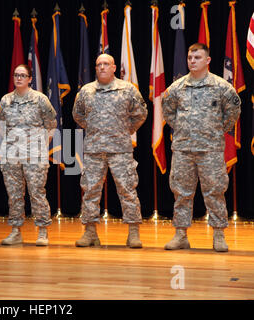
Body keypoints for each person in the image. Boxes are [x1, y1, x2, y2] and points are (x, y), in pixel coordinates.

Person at [162, 43, 241, 252]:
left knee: (215, 191)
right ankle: (180, 235)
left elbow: (233, 112)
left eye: (197, 57)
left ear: (207, 60)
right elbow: (168, 112)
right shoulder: (177, 87)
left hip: (210, 150)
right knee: (181, 192)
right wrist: (181, 128)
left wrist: (215, 130)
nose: (192, 61)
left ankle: (218, 235)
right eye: (190, 57)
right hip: (183, 150)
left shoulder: (221, 87)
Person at [72, 54, 147, 248]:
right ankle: (89, 232)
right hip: (94, 150)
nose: (102, 67)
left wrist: (124, 131)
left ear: (114, 67)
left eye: (106, 64)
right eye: (99, 64)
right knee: (90, 191)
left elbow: (140, 114)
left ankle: (133, 233)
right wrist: (95, 130)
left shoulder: (128, 89)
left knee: (127, 190)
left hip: (120, 149)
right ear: (95, 68)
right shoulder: (86, 91)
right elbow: (77, 115)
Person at [0, 64, 57, 246]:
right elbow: (0, 125)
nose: (19, 78)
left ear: (30, 79)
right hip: (11, 155)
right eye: (16, 75)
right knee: (14, 194)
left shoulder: (40, 99)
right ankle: (16, 231)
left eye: (23, 75)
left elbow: (51, 124)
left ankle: (42, 231)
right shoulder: (6, 100)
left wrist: (41, 145)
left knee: (37, 193)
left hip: (35, 155)